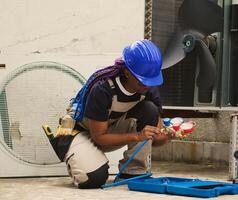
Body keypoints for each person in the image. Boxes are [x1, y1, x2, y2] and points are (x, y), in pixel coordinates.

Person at [48, 39, 172, 189]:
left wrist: (167, 135)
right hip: (80, 132)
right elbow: (99, 138)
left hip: (109, 129)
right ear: (127, 72)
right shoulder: (104, 88)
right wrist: (137, 136)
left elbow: (154, 139)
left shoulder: (148, 89)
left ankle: (132, 172)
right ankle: (75, 153)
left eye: (151, 81)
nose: (147, 85)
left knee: (149, 109)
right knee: (94, 178)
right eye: (142, 81)